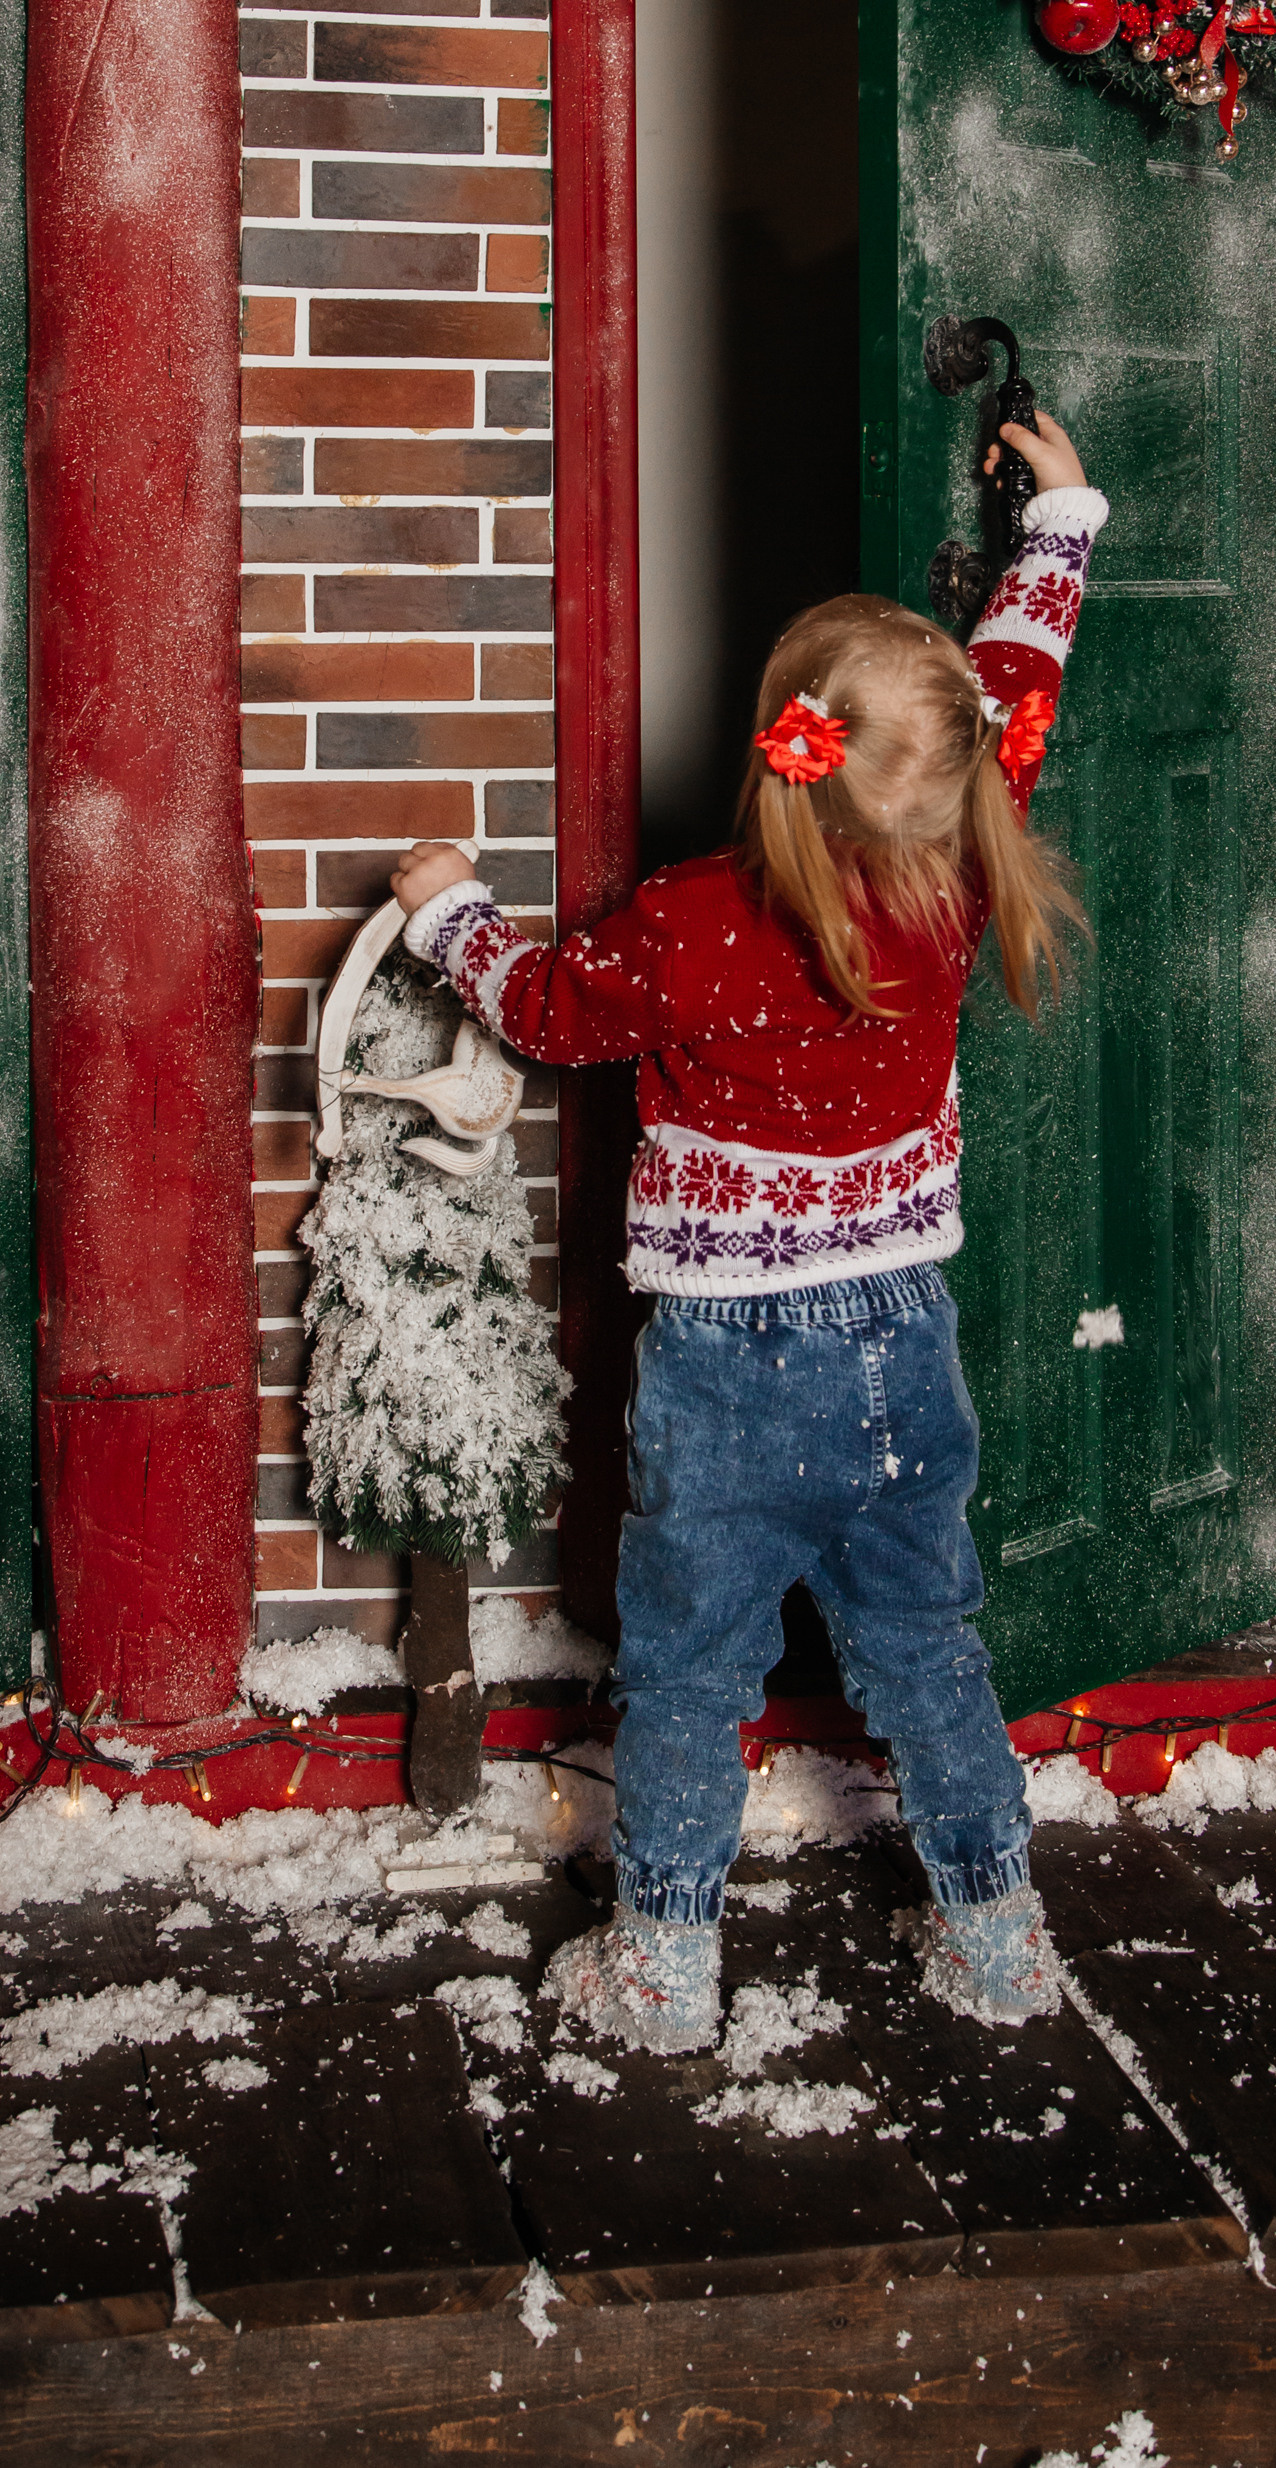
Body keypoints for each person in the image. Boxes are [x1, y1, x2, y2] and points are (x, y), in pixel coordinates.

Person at [390, 412, 1108, 2055]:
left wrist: (447, 911)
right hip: (899, 1341)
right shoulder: (963, 869)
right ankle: (998, 1942)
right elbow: (1010, 697)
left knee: (689, 1676)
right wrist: (1054, 527)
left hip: (725, 1367)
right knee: (927, 1644)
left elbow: (551, 1015)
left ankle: (661, 1971)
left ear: (782, 740)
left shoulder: (691, 923)